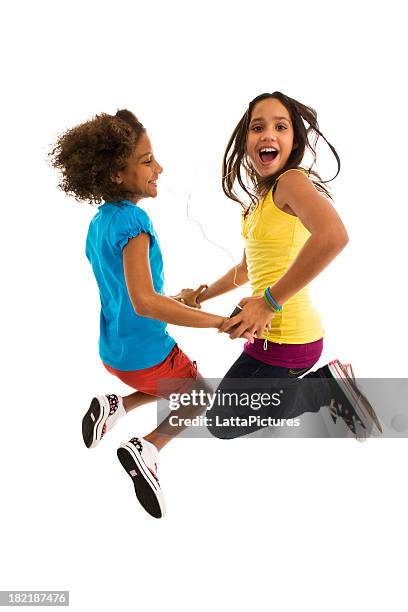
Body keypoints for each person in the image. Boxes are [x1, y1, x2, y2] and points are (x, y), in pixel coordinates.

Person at [49, 109, 251, 519]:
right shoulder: (135, 222)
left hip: (114, 352)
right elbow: (145, 302)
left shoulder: (101, 222)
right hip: (147, 353)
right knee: (198, 396)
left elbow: (132, 293)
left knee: (176, 387)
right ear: (116, 175)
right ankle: (147, 449)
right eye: (146, 161)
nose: (159, 168)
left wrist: (181, 299)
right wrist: (219, 322)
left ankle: (116, 406)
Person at [179, 92, 382, 440]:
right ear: (247, 142)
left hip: (289, 339)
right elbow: (245, 270)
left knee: (221, 422)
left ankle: (326, 386)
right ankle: (325, 385)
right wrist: (201, 296)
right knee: (224, 417)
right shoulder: (258, 204)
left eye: (281, 127)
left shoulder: (291, 182)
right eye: (258, 127)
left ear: (294, 141)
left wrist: (270, 302)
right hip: (267, 335)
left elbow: (333, 236)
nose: (268, 134)